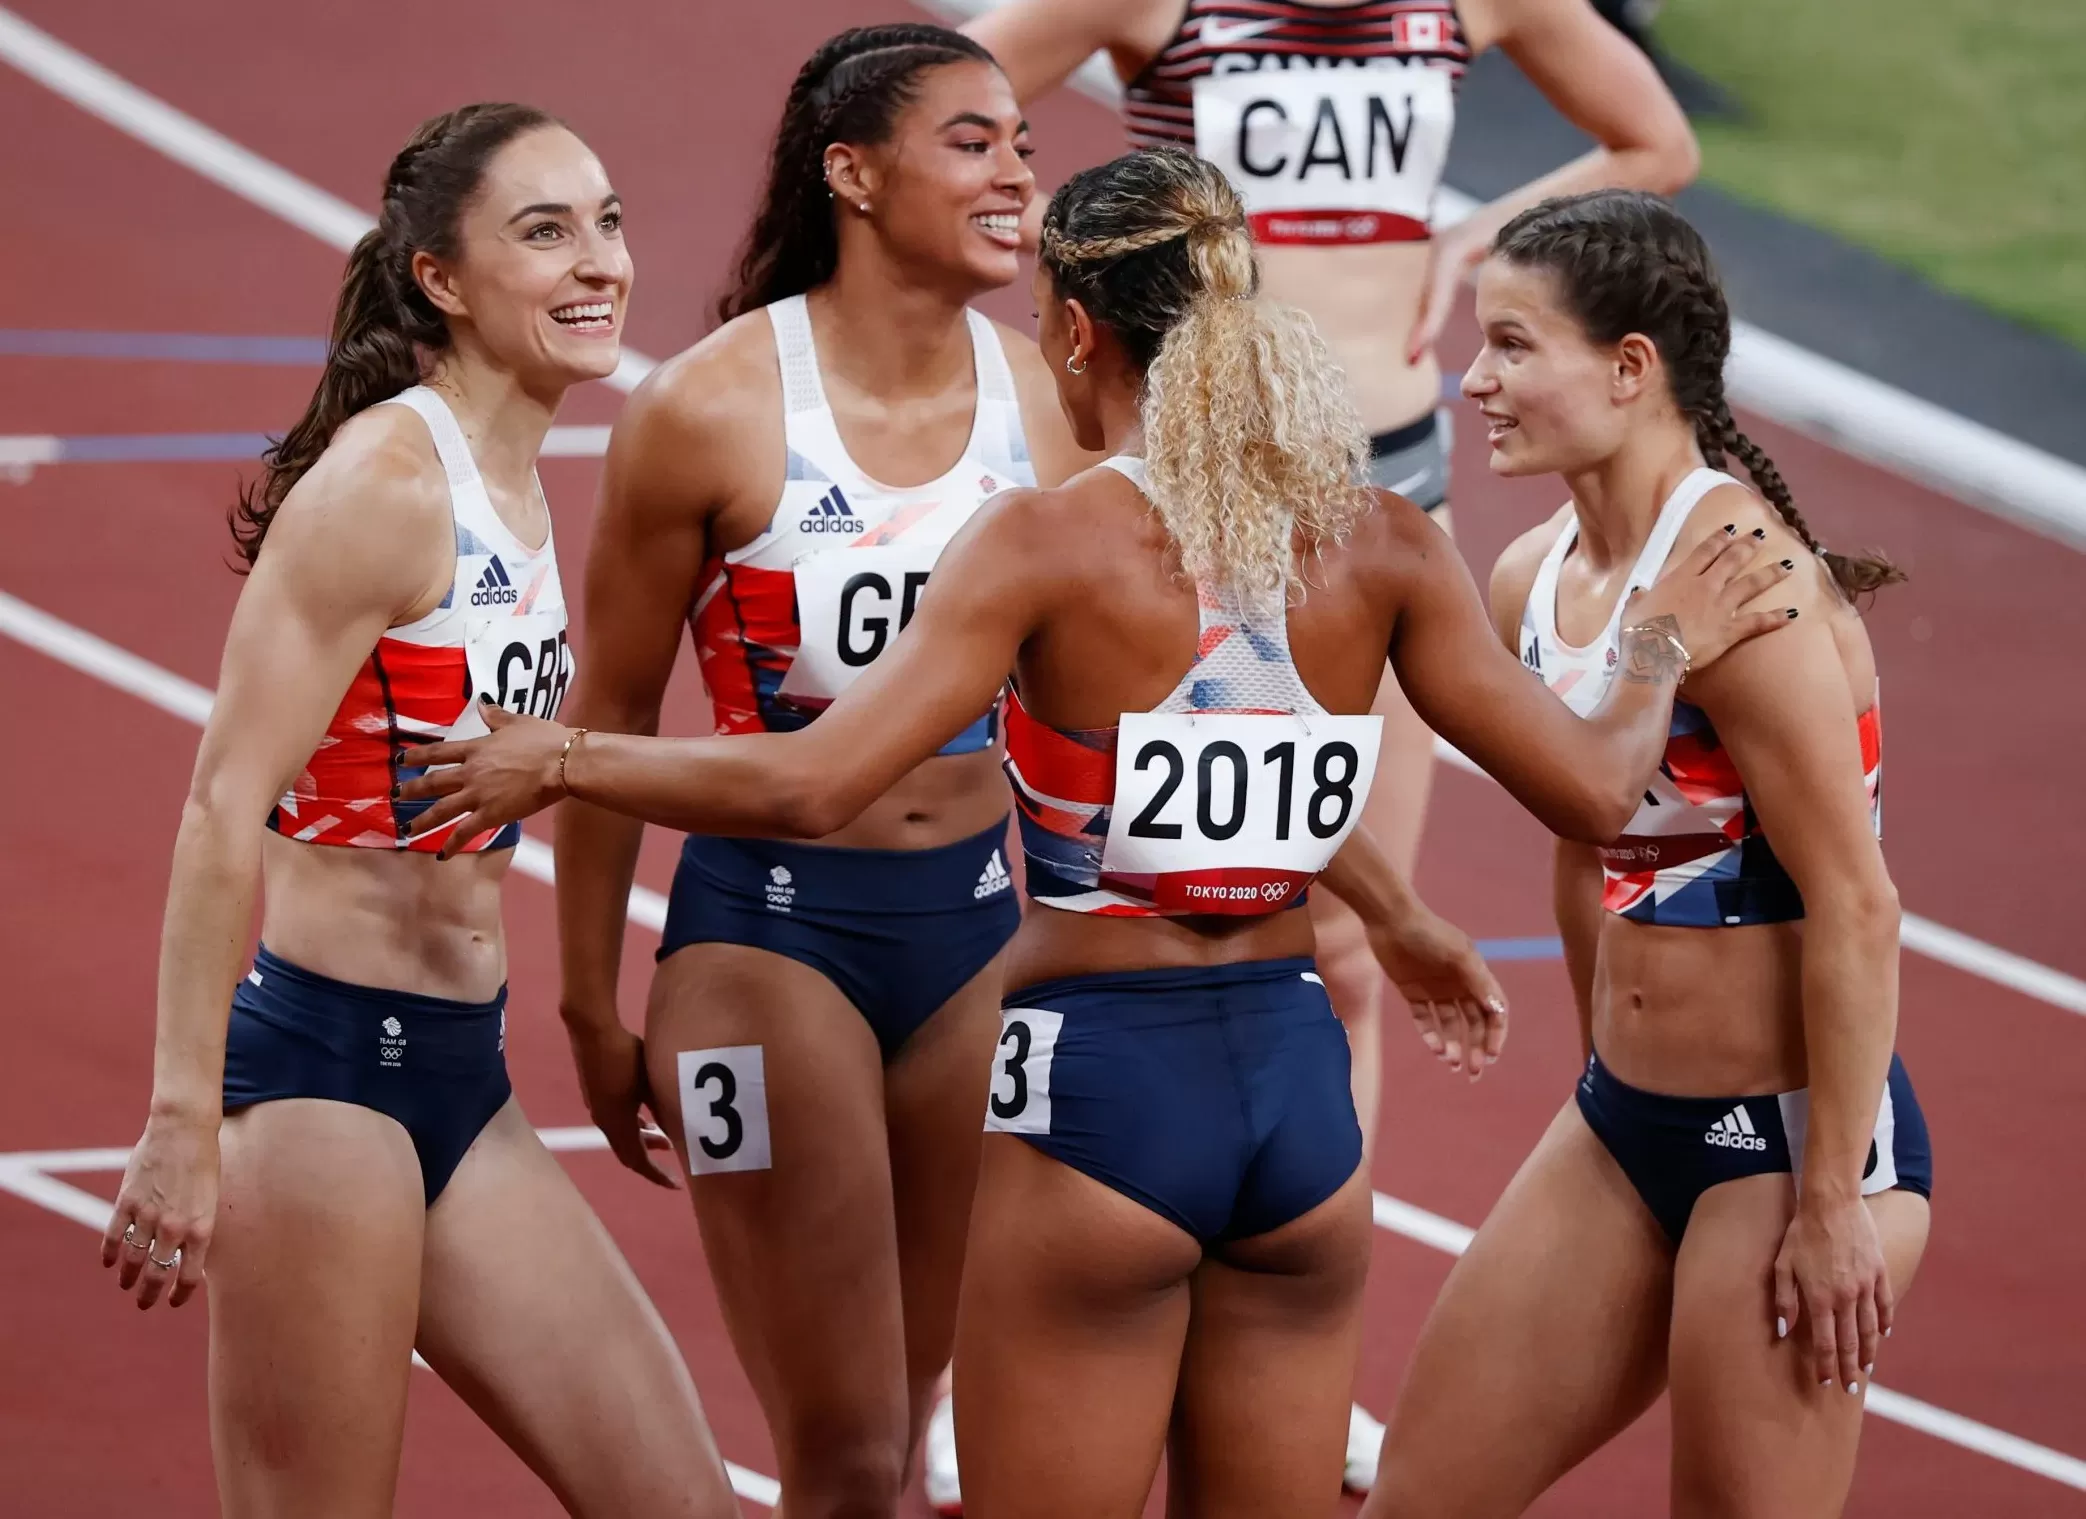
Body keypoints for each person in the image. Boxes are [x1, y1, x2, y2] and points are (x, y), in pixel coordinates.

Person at [394, 148, 1789, 1518]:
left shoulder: (1042, 545)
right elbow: (1598, 793)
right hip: (1300, 1105)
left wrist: (560, 757)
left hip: (1101, 1096)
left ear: (1075, 331)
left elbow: (814, 784)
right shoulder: (1382, 540)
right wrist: (1655, 644)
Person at [956, 2, 1702, 1480]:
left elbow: (1653, 141)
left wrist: (1469, 239)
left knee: (1345, 945)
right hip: (1170, 456)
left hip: (1373, 461)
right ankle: (1084, 1317)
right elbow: (953, 121)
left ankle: (1248, 1311)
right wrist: (1090, 266)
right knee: (1109, 866)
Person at [96, 105, 737, 1518]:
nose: (601, 263)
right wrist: (181, 1118)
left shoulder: (516, 473)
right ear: (440, 278)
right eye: (545, 233)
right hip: (322, 1086)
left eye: (609, 222)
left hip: (462, 1074)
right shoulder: (384, 488)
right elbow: (220, 806)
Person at [550, 24, 1096, 1518]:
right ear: (850, 174)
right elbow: (610, 714)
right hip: (769, 944)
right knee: (845, 1460)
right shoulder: (706, 410)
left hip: (979, 937)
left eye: (1024, 145)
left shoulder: (1050, 404)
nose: (1015, 175)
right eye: (971, 143)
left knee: (911, 1427)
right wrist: (589, 1002)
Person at [1363, 190, 1933, 1518]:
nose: (1473, 378)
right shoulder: (1529, 576)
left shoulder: (1747, 583)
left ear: (1629, 367)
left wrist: (1832, 1201)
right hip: (1624, 1121)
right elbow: (1587, 841)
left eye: (1512, 345)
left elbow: (1855, 905)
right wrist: (1598, 1068)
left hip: (1783, 1142)